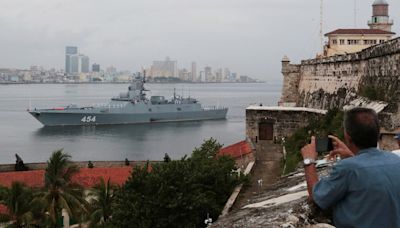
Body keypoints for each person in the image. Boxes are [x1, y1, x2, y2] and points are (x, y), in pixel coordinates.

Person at [301, 107, 400, 227]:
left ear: (347, 136)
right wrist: (351, 156)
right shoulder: (395, 160)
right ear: (378, 133)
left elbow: (316, 197)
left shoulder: (348, 168)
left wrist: (309, 161)